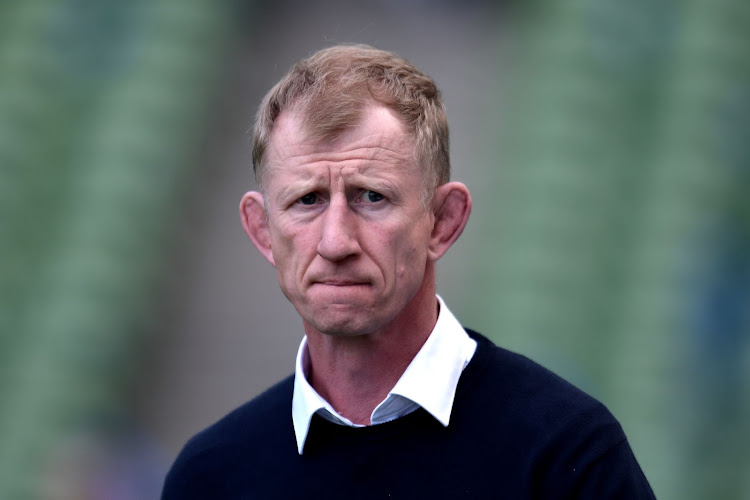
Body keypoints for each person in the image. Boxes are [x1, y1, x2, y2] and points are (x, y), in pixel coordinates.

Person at [162, 44, 656, 499]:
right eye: (307, 200)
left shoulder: (568, 455)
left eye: (371, 197)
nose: (336, 242)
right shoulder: (210, 476)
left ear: (443, 222)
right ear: (263, 230)